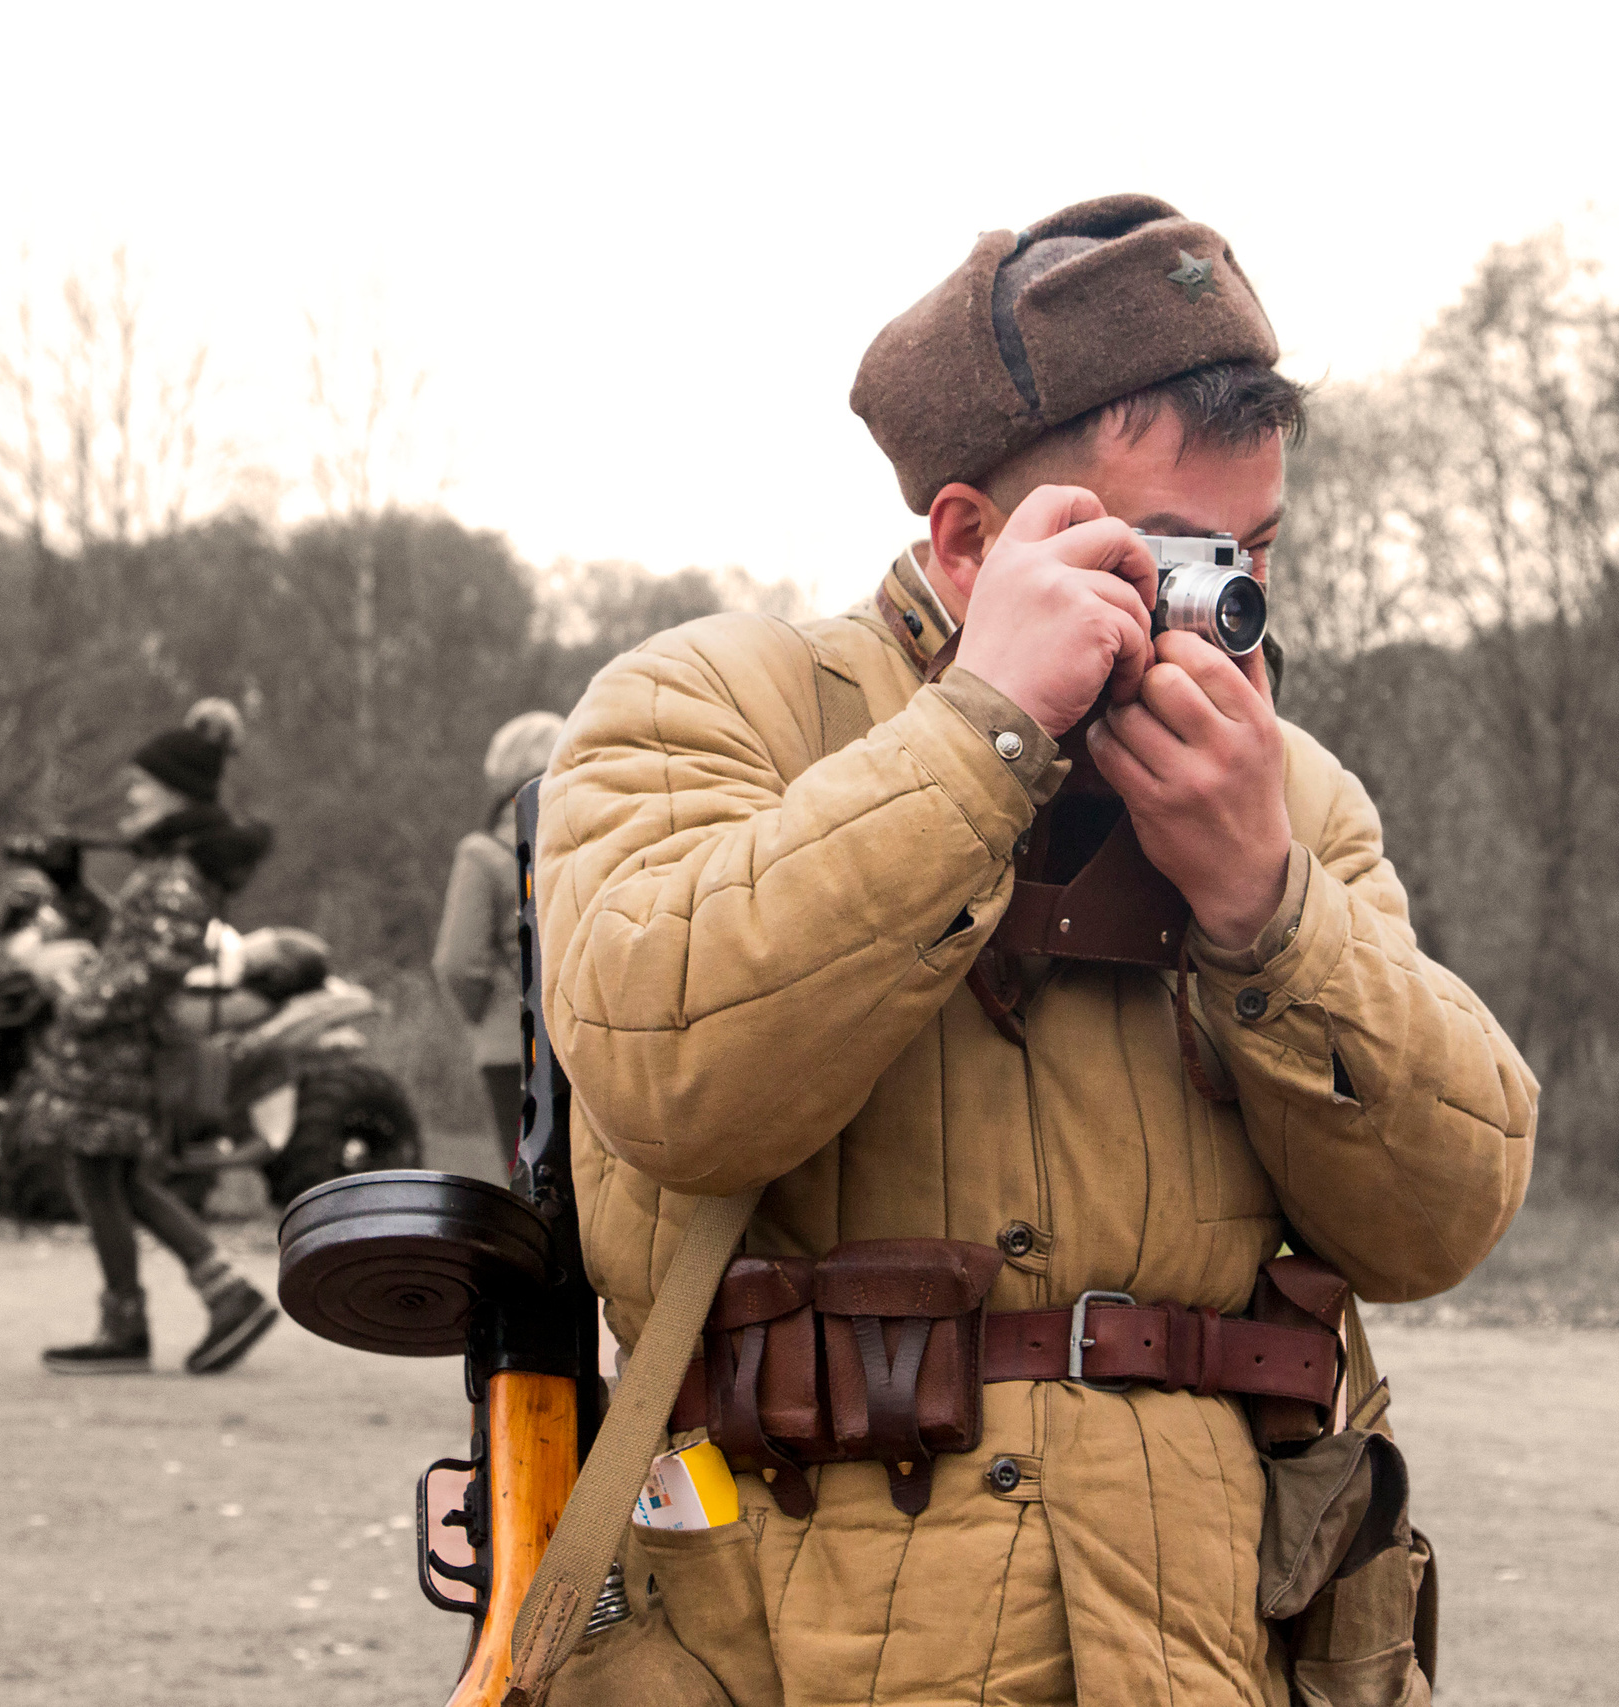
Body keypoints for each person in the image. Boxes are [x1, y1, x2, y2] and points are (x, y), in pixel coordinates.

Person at [535, 195, 1536, 1706]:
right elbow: (673, 1073)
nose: (1224, 612)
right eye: (1169, 555)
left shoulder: (1290, 797)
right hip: (789, 1651)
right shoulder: (711, 705)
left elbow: (1443, 1215)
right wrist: (980, 737)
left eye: (1249, 557)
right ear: (966, 538)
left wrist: (1267, 909)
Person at [36, 699, 282, 1376]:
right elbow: (129, 940)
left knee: (101, 1173)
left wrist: (82, 1002)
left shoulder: (177, 873)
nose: (130, 792)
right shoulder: (172, 864)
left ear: (174, 792)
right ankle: (218, 1295)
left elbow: (154, 964)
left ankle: (135, 1322)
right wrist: (73, 888)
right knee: (115, 1177)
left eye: (142, 783)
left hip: (117, 1055)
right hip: (116, 1052)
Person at [431, 710, 564, 1171]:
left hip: (511, 1045)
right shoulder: (585, 840)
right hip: (584, 1038)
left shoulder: (482, 853)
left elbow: (456, 962)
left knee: (528, 1182)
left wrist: (485, 1014)